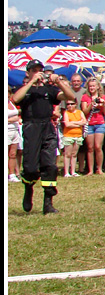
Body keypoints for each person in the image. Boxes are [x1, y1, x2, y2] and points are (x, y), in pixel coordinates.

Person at [11, 59, 75, 214]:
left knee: (50, 166)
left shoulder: (49, 89)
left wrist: (58, 82)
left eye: (39, 70)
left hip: (47, 127)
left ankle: (48, 202)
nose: (38, 72)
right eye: (34, 70)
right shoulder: (24, 89)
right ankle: (28, 188)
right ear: (28, 72)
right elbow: (15, 99)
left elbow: (70, 96)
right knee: (31, 167)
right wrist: (31, 82)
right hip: (31, 127)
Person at [81, 77, 105, 175]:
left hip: (100, 123)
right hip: (89, 124)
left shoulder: (103, 97)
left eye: (93, 86)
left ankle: (99, 169)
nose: (92, 88)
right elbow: (84, 111)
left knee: (98, 146)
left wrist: (103, 104)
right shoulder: (85, 97)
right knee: (90, 147)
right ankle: (90, 170)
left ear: (98, 87)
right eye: (90, 86)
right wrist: (91, 104)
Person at [61, 99, 86, 177]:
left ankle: (73, 171)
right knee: (67, 154)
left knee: (74, 154)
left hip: (78, 135)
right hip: (68, 135)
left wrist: (73, 123)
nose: (70, 106)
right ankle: (66, 172)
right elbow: (67, 124)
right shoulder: (66, 113)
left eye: (72, 104)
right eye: (68, 104)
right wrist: (78, 123)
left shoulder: (80, 112)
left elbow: (84, 122)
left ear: (76, 104)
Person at [8, 93, 23, 183]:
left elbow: (17, 116)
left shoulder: (11, 103)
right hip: (7, 131)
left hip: (15, 130)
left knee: (13, 154)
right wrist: (11, 119)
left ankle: (12, 174)